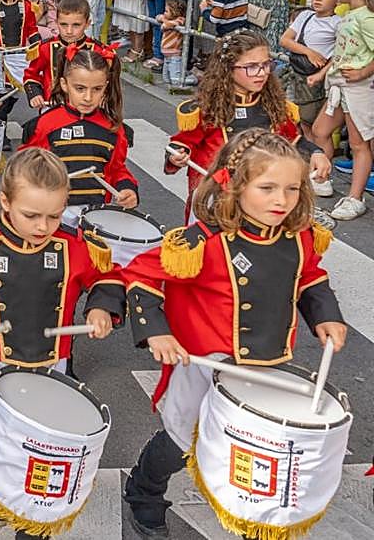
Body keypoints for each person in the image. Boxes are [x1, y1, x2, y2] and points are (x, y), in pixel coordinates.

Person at [122, 129, 346, 537]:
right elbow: (140, 274)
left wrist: (325, 316)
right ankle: (143, 491)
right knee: (179, 440)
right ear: (236, 187)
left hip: (266, 362)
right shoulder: (204, 242)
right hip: (205, 363)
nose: (282, 200)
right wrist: (156, 331)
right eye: (267, 188)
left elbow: (310, 279)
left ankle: (248, 512)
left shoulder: (303, 238)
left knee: (257, 446)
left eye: (292, 189)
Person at [0, 147, 123, 531]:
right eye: (31, 215)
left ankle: (32, 505)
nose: (43, 226)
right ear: (5, 201)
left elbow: (107, 277)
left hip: (50, 359)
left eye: (54, 215)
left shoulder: (74, 244)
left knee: (42, 434)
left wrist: (101, 308)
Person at [166, 30, 328, 220]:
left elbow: (291, 141)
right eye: (251, 67)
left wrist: (316, 152)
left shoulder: (276, 105)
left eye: (266, 65)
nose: (261, 73)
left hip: (263, 198)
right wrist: (175, 157)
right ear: (228, 68)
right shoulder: (207, 108)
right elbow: (180, 144)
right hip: (217, 197)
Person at [21, 47, 139, 210]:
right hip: (51, 212)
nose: (88, 97)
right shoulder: (43, 124)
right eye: (80, 88)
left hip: (96, 213)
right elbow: (24, 168)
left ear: (106, 87)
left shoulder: (114, 128)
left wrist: (127, 189)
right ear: (64, 84)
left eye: (97, 89)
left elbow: (117, 169)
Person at [308, 0, 374, 220]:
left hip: (357, 88)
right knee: (320, 130)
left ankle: (355, 198)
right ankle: (323, 177)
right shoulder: (353, 15)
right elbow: (341, 53)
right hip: (339, 85)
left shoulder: (367, 17)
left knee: (359, 144)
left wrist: (363, 73)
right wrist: (322, 74)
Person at [22, 0, 106, 107]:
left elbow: (107, 82)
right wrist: (35, 95)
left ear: (87, 24)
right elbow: (31, 75)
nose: (69, 31)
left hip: (88, 108)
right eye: (63, 25)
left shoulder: (98, 50)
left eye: (76, 25)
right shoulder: (46, 48)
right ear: (56, 22)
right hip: (52, 108)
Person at [279, 0, 340, 132]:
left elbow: (339, 54)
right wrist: (309, 52)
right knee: (290, 116)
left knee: (309, 123)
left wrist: (321, 73)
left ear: (338, 0)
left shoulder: (337, 23)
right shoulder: (305, 15)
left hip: (313, 78)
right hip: (295, 73)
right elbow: (285, 40)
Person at [158, 0, 188, 86]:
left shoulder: (180, 20)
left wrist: (164, 20)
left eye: (166, 11)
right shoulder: (167, 18)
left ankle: (192, 79)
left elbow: (166, 25)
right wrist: (163, 18)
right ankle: (184, 73)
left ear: (175, 12)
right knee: (166, 79)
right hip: (166, 56)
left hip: (174, 56)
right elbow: (157, 17)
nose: (164, 13)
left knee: (175, 80)